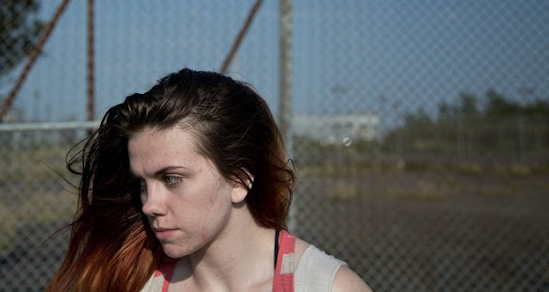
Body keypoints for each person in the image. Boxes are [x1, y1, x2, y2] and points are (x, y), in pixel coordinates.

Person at [49, 68, 371, 292]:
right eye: (142, 184)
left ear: (240, 181)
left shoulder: (326, 286)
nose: (149, 205)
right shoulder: (136, 284)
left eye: (171, 178)